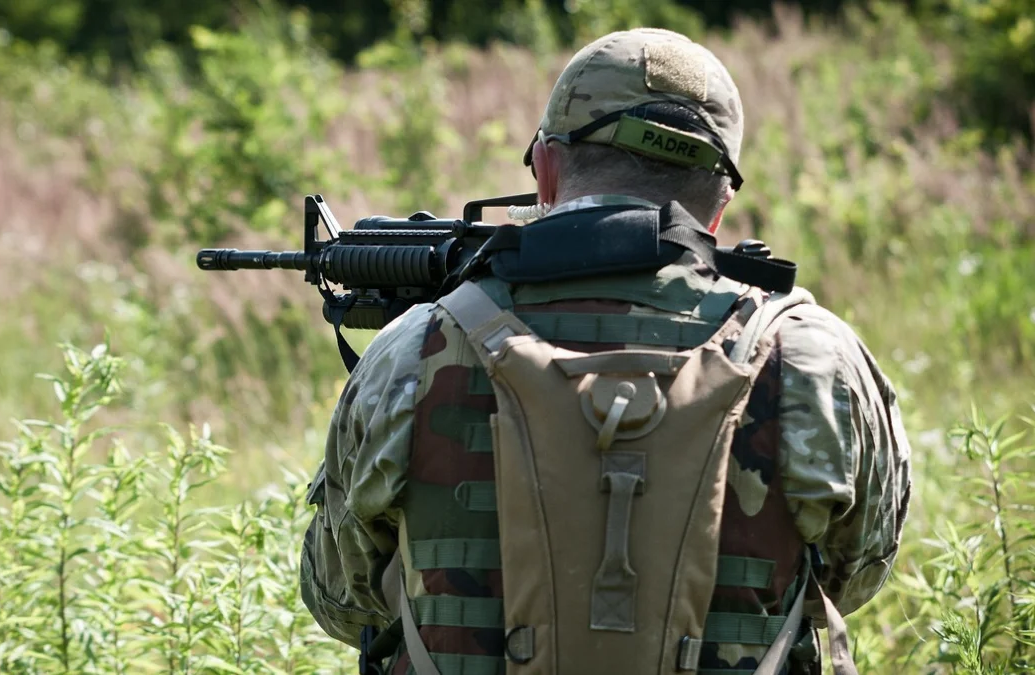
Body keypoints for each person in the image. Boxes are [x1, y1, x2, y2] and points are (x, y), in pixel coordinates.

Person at [300, 28, 912, 675]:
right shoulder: (814, 360)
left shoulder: (411, 352)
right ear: (720, 203)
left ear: (547, 168)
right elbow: (856, 574)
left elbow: (342, 600)